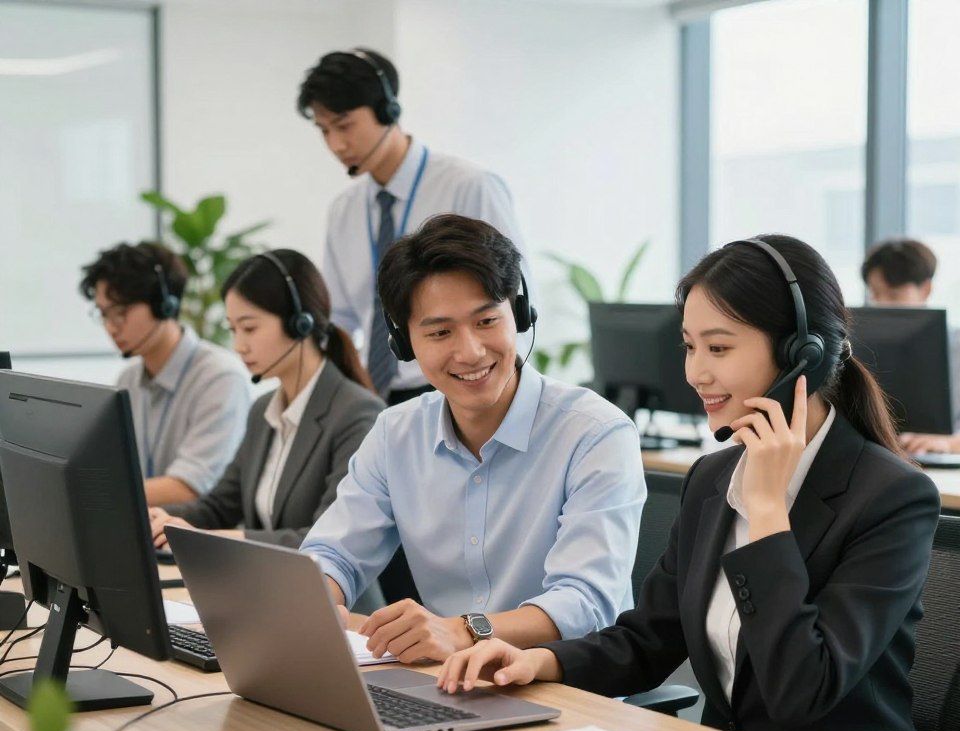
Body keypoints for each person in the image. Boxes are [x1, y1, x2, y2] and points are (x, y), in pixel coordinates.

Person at [439, 235, 941, 731]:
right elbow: (651, 636)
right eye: (689, 346)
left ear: (803, 355)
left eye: (719, 348)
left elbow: (802, 689)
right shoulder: (712, 477)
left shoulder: (892, 498)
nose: (695, 373)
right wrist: (537, 660)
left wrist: (768, 512)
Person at [299, 214, 644, 664]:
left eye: (486, 321)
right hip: (445, 681)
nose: (470, 352)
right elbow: (331, 554)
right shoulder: (395, 434)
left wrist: (463, 631)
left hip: (566, 690)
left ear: (518, 315)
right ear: (404, 343)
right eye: (440, 332)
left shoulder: (595, 434)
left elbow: (584, 601)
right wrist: (318, 601)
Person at [296, 47, 536, 405]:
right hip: (374, 395)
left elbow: (516, 294)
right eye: (324, 131)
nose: (336, 144)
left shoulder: (469, 186)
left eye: (344, 125)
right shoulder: (343, 211)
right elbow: (341, 317)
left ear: (388, 110)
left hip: (458, 385)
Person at [149, 249, 384, 550]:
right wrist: (158, 518)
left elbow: (326, 539)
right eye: (233, 330)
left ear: (300, 323)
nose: (238, 345)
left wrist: (208, 538)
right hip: (267, 588)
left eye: (249, 328)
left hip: (336, 596)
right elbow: (218, 507)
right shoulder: (263, 410)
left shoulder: (358, 414)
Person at [80, 242, 251, 506]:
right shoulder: (128, 381)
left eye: (121, 312)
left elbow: (190, 488)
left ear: (165, 305)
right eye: (104, 314)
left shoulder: (220, 378)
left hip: (195, 536)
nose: (111, 327)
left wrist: (92, 494)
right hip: (144, 530)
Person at [862, 237, 960, 453]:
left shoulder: (956, 346)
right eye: (876, 294)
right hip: (880, 457)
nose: (882, 304)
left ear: (925, 289)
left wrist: (947, 444)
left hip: (937, 460)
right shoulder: (861, 345)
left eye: (894, 295)